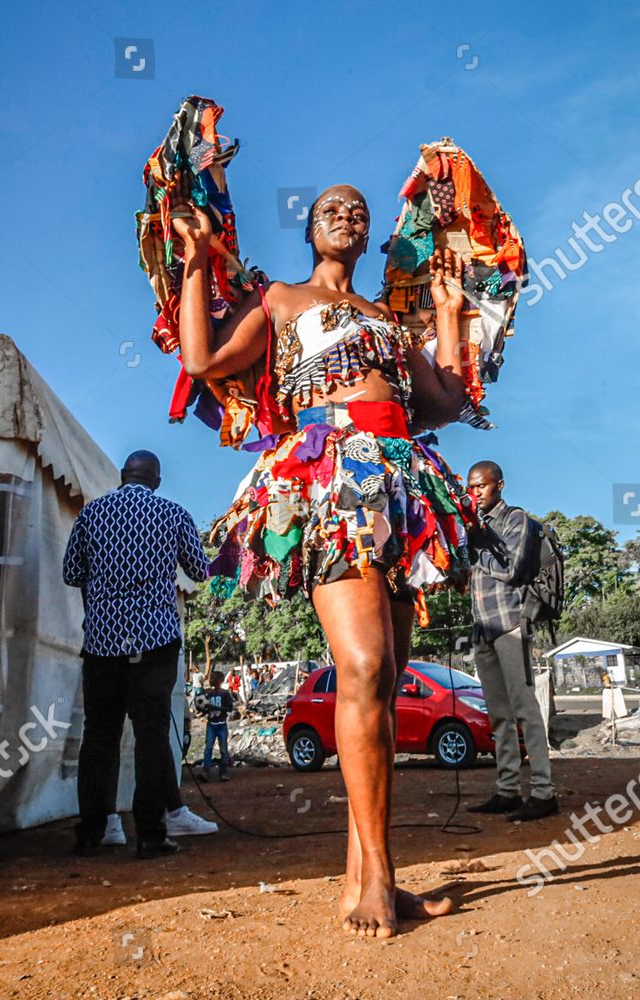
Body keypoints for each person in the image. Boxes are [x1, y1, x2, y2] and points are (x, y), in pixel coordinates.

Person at [173, 183, 473, 937]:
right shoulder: (280, 299)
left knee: (383, 683)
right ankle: (381, 879)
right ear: (310, 228)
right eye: (332, 207)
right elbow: (202, 357)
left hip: (402, 485)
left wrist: (444, 309)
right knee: (365, 667)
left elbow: (443, 403)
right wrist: (198, 261)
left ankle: (364, 881)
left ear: (370, 236)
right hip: (333, 474)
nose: (347, 214)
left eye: (360, 210)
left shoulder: (386, 318)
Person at [63, 450, 210, 860]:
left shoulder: (91, 514)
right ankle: (151, 834)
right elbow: (199, 571)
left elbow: (71, 573)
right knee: (151, 738)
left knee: (99, 738)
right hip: (156, 643)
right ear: (156, 481)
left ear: (122, 476)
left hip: (102, 645)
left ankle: (95, 831)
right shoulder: (174, 513)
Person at [463, 461, 558, 822]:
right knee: (499, 716)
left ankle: (543, 792)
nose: (475, 493)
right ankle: (506, 790)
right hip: (482, 628)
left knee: (525, 711)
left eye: (481, 487)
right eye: (472, 488)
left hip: (510, 624)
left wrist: (476, 550)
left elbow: (511, 569)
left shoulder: (514, 520)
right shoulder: (478, 527)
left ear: (498, 486)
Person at [196, 670, 237, 781]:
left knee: (223, 749)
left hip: (221, 725)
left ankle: (223, 773)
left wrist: (217, 708)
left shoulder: (224, 694)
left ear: (220, 681)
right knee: (208, 748)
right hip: (211, 725)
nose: (210, 680)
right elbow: (203, 708)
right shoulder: (208, 694)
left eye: (213, 678)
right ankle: (205, 772)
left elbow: (230, 708)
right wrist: (202, 708)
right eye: (210, 678)